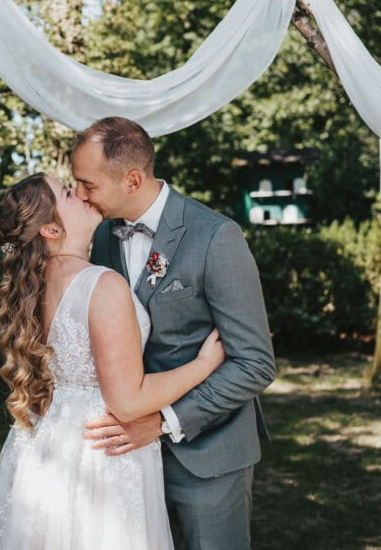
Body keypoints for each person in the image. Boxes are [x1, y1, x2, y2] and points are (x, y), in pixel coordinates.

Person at [0, 172, 226, 549]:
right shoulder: (101, 284)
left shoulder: (37, 286)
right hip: (102, 453)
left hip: (50, 442)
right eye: (69, 193)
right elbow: (127, 400)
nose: (83, 195)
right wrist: (204, 364)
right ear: (52, 231)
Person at [72, 117, 276, 550]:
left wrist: (163, 422)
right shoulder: (103, 235)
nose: (79, 196)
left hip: (208, 456)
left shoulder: (216, 236)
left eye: (87, 185)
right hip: (128, 460)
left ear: (131, 179)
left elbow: (255, 363)